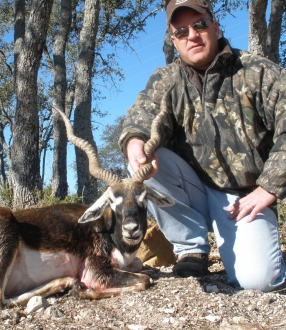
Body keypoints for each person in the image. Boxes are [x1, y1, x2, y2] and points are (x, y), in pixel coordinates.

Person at [118, 0, 286, 292]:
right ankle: (190, 248)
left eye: (199, 24)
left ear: (215, 26)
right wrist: (134, 143)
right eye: (181, 31)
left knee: (258, 281)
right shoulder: (166, 79)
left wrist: (269, 186)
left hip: (243, 198)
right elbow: (139, 120)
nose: (192, 35)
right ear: (174, 40)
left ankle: (244, 241)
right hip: (193, 189)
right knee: (143, 160)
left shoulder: (258, 72)